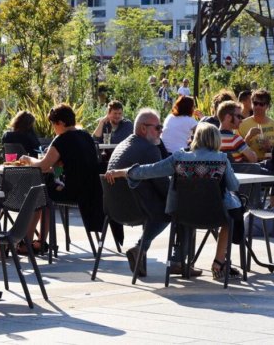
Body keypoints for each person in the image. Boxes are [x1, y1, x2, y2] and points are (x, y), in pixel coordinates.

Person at [106, 123, 243, 280]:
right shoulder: (222, 160)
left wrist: (124, 172)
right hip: (215, 215)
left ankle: (179, 263)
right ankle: (219, 263)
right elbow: (233, 185)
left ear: (196, 138)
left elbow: (150, 170)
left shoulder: (179, 158)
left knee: (188, 215)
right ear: (216, 140)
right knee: (229, 219)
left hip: (183, 213)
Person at [18, 104, 103, 252]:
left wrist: (28, 159)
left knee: (37, 196)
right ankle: (39, 243)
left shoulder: (62, 140)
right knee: (44, 196)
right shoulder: (86, 136)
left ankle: (27, 243)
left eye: (53, 124)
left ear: (61, 123)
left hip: (72, 191)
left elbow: (42, 166)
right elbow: (69, 166)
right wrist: (55, 169)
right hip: (92, 191)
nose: (53, 128)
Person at [106, 108, 179, 277]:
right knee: (173, 208)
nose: (161, 131)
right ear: (143, 128)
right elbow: (162, 184)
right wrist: (180, 197)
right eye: (157, 128)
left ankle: (140, 252)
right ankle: (176, 261)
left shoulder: (122, 145)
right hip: (137, 209)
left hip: (114, 210)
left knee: (166, 204)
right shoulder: (148, 149)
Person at [238, 89, 274, 162]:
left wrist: (269, 148)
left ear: (267, 106)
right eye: (255, 103)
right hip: (249, 166)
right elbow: (236, 152)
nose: (258, 106)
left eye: (261, 104)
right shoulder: (241, 125)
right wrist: (248, 137)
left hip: (269, 165)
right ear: (252, 104)